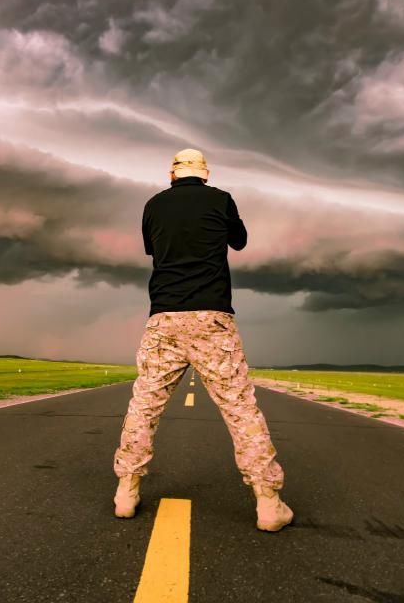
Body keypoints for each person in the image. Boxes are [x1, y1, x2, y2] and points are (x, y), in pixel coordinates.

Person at [112, 148, 293, 532]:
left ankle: (126, 491)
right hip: (212, 317)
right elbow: (239, 242)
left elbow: (153, 249)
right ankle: (268, 502)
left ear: (172, 174)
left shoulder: (153, 205)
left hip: (163, 317)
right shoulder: (221, 200)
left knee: (145, 406)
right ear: (205, 174)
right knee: (241, 409)